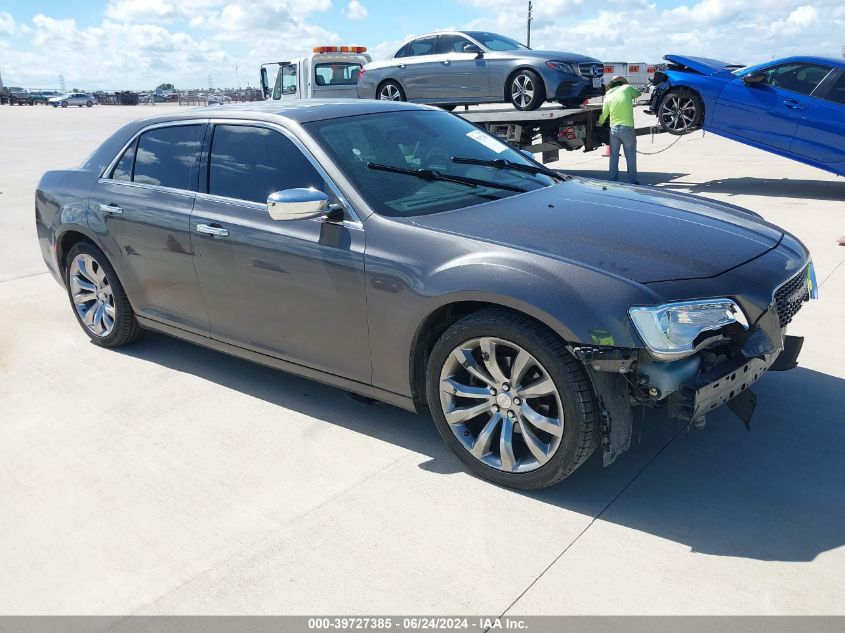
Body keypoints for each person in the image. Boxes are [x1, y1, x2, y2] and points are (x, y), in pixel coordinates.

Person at [597, 76, 642, 184]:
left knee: (613, 155)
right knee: (630, 155)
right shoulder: (627, 88)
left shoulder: (608, 97)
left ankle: (612, 179)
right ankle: (632, 180)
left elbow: (603, 116)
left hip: (614, 130)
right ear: (621, 83)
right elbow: (638, 94)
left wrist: (599, 123)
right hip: (627, 128)